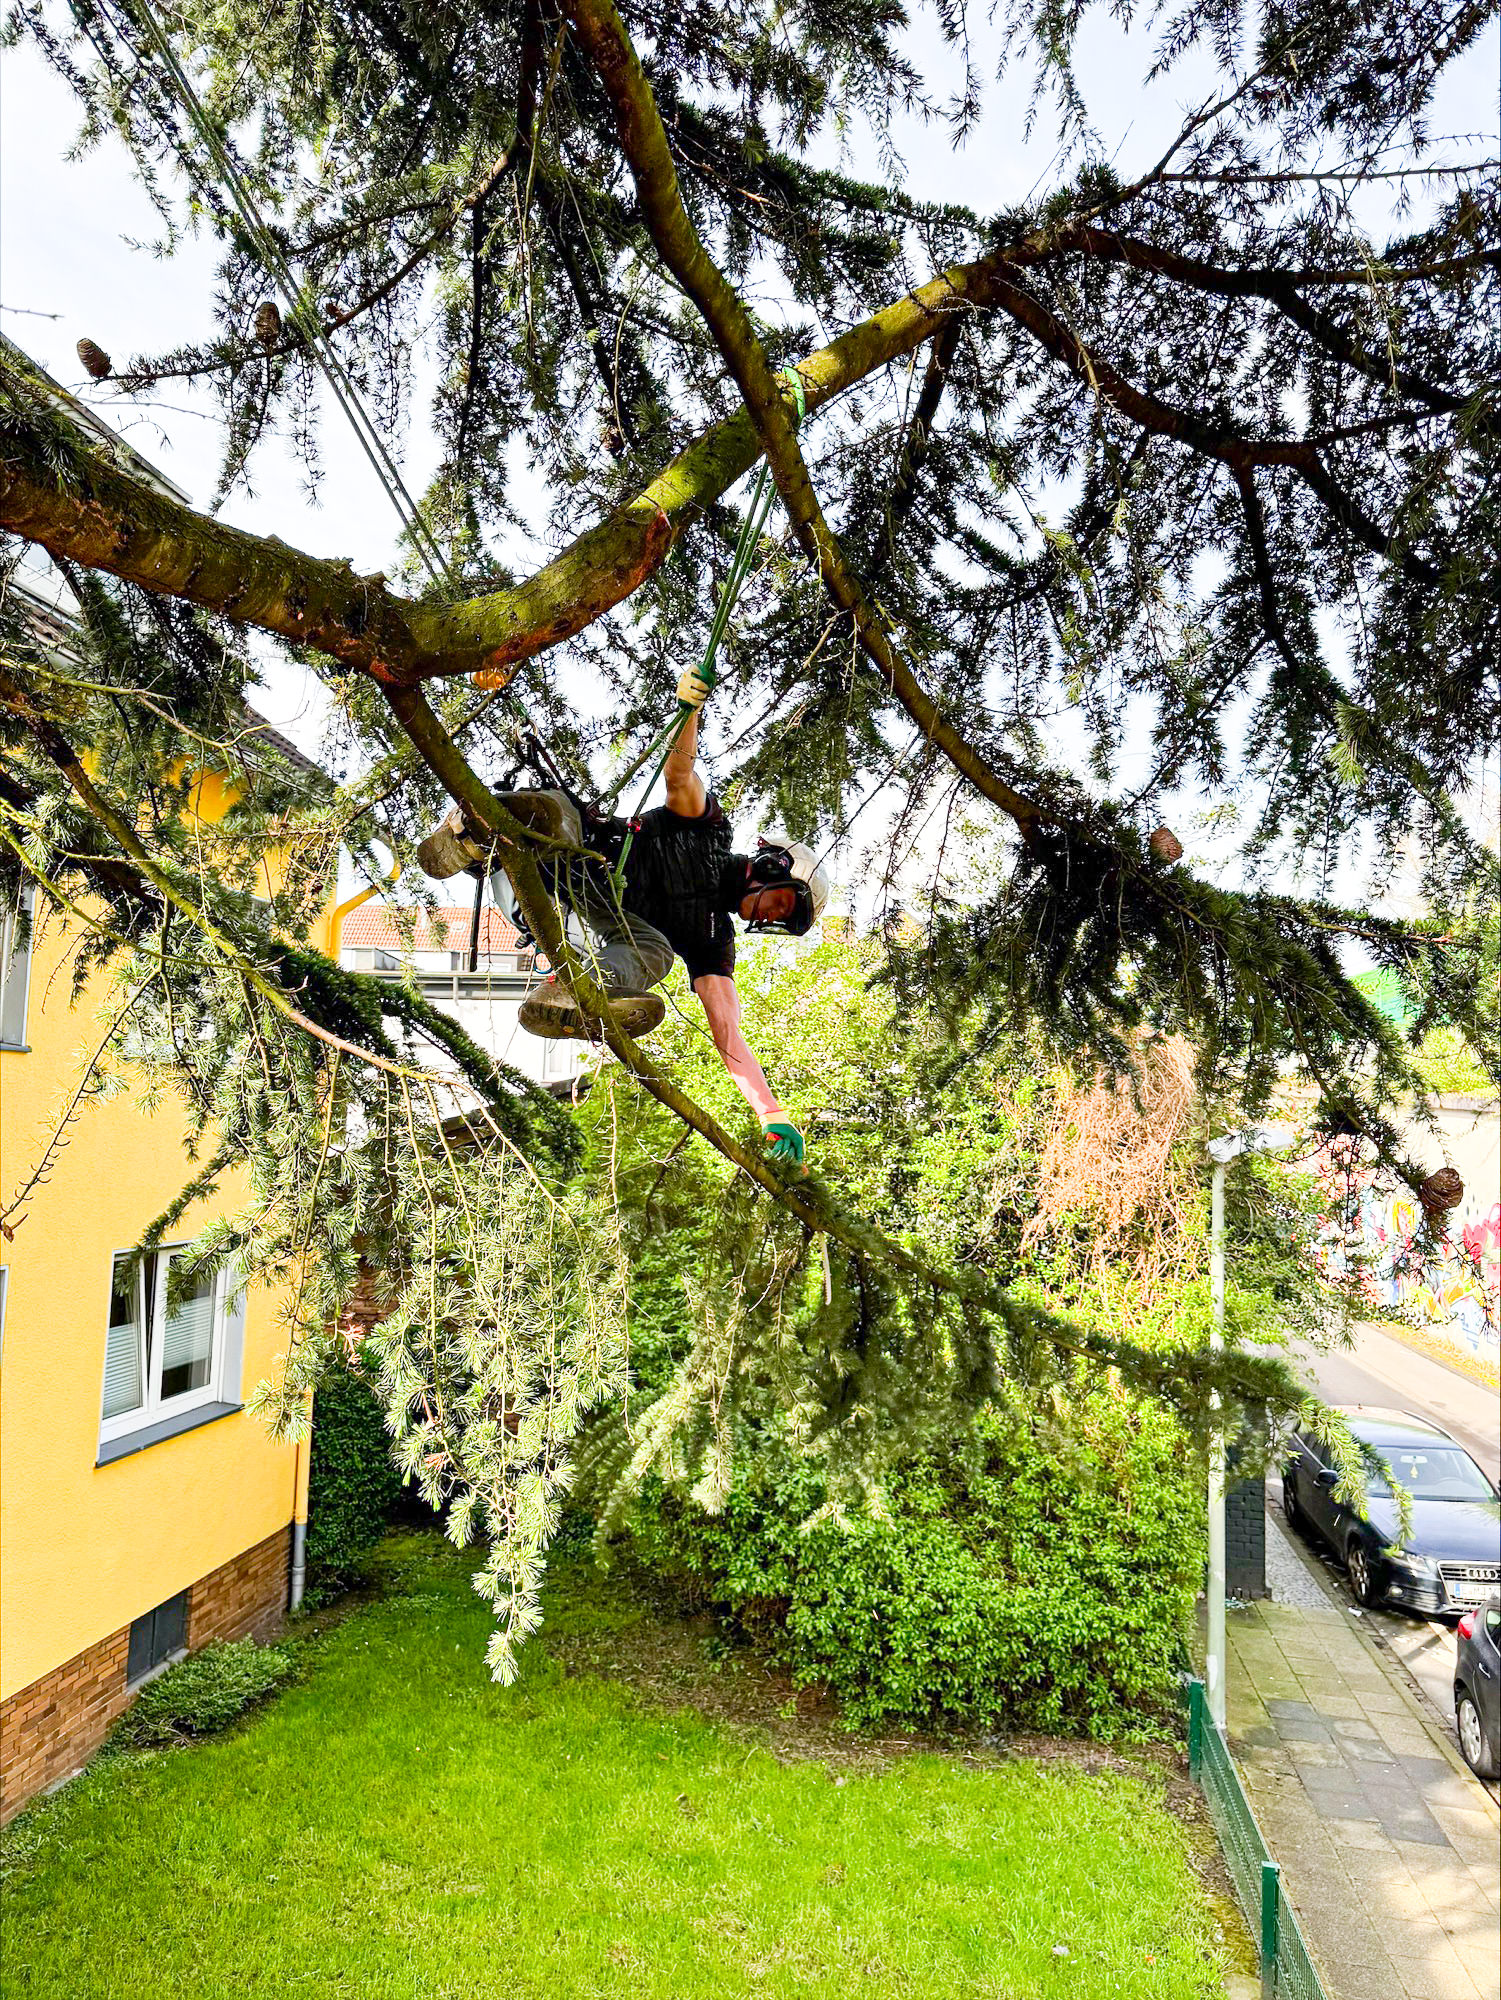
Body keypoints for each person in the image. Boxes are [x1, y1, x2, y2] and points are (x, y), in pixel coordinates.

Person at [416, 668, 828, 1166]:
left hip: (561, 917)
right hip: (560, 857)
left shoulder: (712, 939)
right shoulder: (709, 832)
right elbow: (680, 774)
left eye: (780, 920)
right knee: (559, 814)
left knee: (656, 953)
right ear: (771, 867)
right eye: (781, 903)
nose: (769, 917)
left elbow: (727, 1033)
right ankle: (479, 829)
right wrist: (690, 707)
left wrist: (770, 1113)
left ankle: (584, 990)